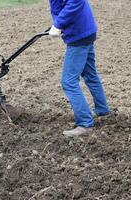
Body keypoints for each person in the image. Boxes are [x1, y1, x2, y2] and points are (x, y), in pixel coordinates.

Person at [48, 0, 110, 136]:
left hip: (79, 36)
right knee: (90, 74)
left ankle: (84, 124)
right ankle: (102, 109)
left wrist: (58, 24)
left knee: (68, 81)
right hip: (84, 31)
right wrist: (57, 24)